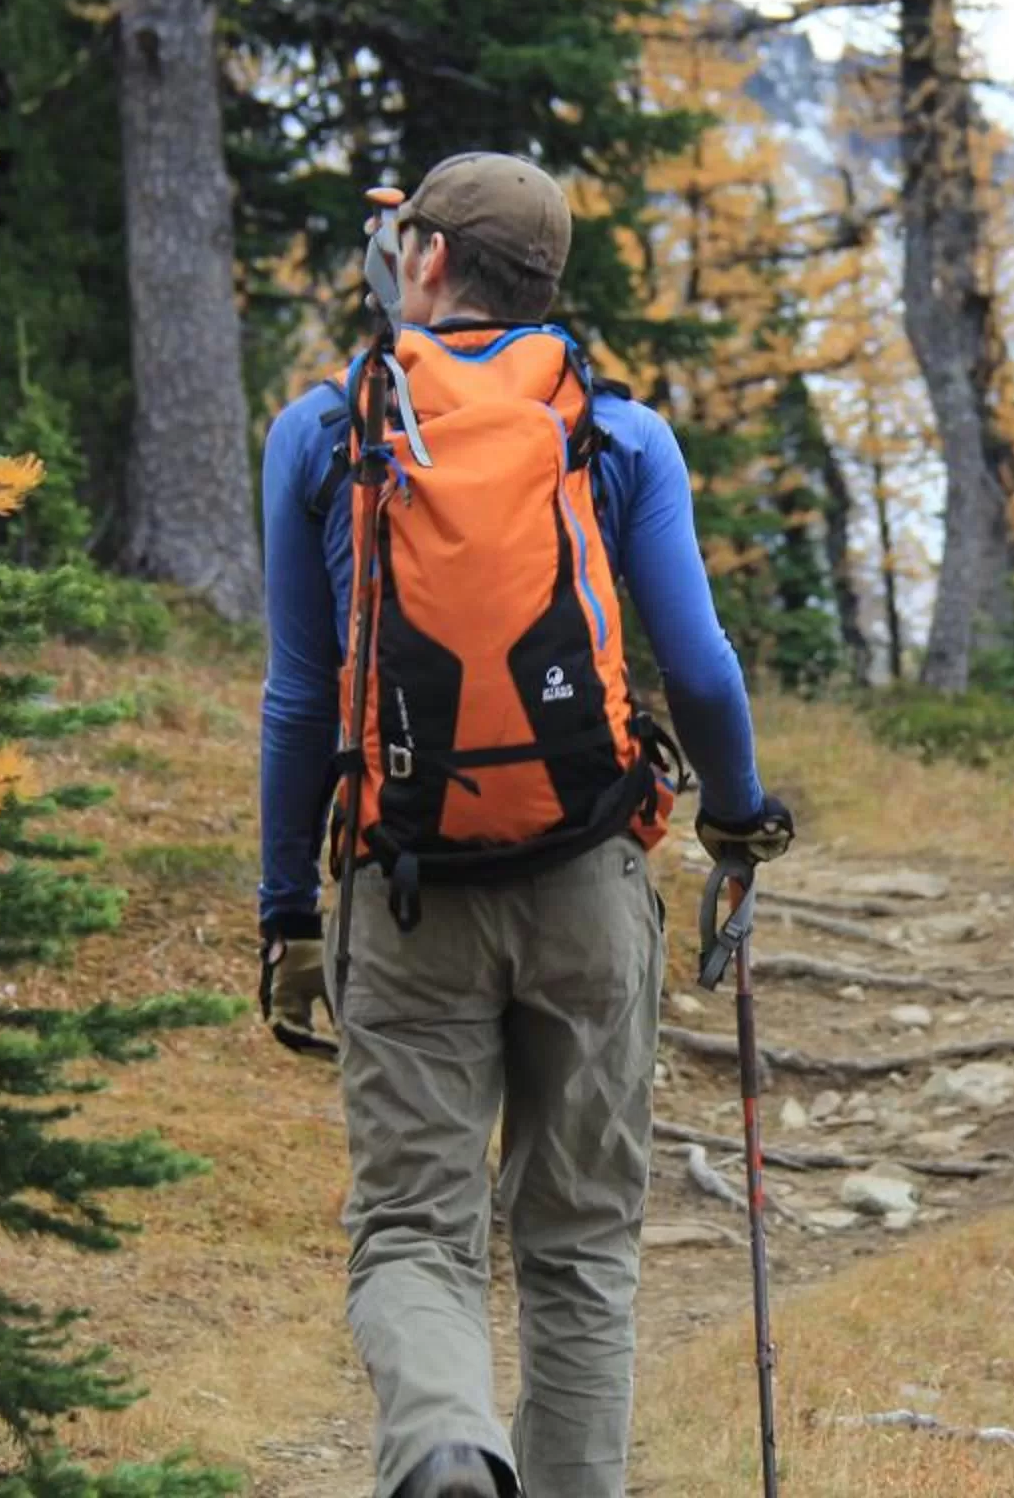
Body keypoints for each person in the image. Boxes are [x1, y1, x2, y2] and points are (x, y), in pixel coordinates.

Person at [256, 151, 794, 1498]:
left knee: (412, 1240)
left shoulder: (324, 432)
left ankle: (445, 1446)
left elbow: (297, 701)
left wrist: (282, 910)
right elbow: (705, 673)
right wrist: (736, 823)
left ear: (429, 263)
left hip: (407, 890)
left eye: (405, 242)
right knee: (580, 1249)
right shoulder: (619, 435)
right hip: (590, 884)